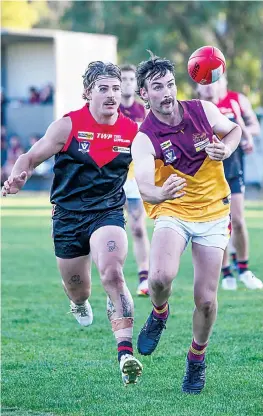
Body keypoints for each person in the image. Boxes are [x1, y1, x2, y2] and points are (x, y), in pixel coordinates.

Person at [2, 61, 143, 386]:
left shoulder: (132, 131)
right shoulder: (67, 126)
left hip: (107, 213)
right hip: (67, 218)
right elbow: (29, 158)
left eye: (116, 88)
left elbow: (155, 165)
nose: (111, 95)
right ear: (87, 92)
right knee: (79, 289)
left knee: (113, 272)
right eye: (103, 89)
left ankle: (124, 354)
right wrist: (17, 177)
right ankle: (78, 302)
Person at [131, 53, 241, 394]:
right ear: (144, 95)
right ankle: (160, 313)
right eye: (156, 87)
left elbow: (233, 130)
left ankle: (196, 358)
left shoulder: (202, 111)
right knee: (160, 278)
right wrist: (160, 193)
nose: (165, 92)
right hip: (173, 210)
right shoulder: (145, 137)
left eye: (169, 84)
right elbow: (145, 186)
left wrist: (226, 148)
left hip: (213, 213)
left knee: (206, 300)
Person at [196, 79, 263, 290]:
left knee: (239, 220)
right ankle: (226, 272)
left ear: (222, 82)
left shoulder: (236, 101)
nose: (208, 86)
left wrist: (246, 138)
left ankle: (243, 268)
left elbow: (253, 127)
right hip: (208, 175)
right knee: (220, 224)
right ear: (196, 87)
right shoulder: (194, 108)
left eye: (213, 80)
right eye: (202, 82)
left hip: (233, 170)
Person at [119, 64, 150, 296]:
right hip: (113, 175)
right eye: (124, 79)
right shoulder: (111, 109)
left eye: (131, 79)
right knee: (111, 226)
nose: (128, 83)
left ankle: (144, 278)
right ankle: (114, 275)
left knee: (138, 227)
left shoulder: (144, 112)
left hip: (135, 175)